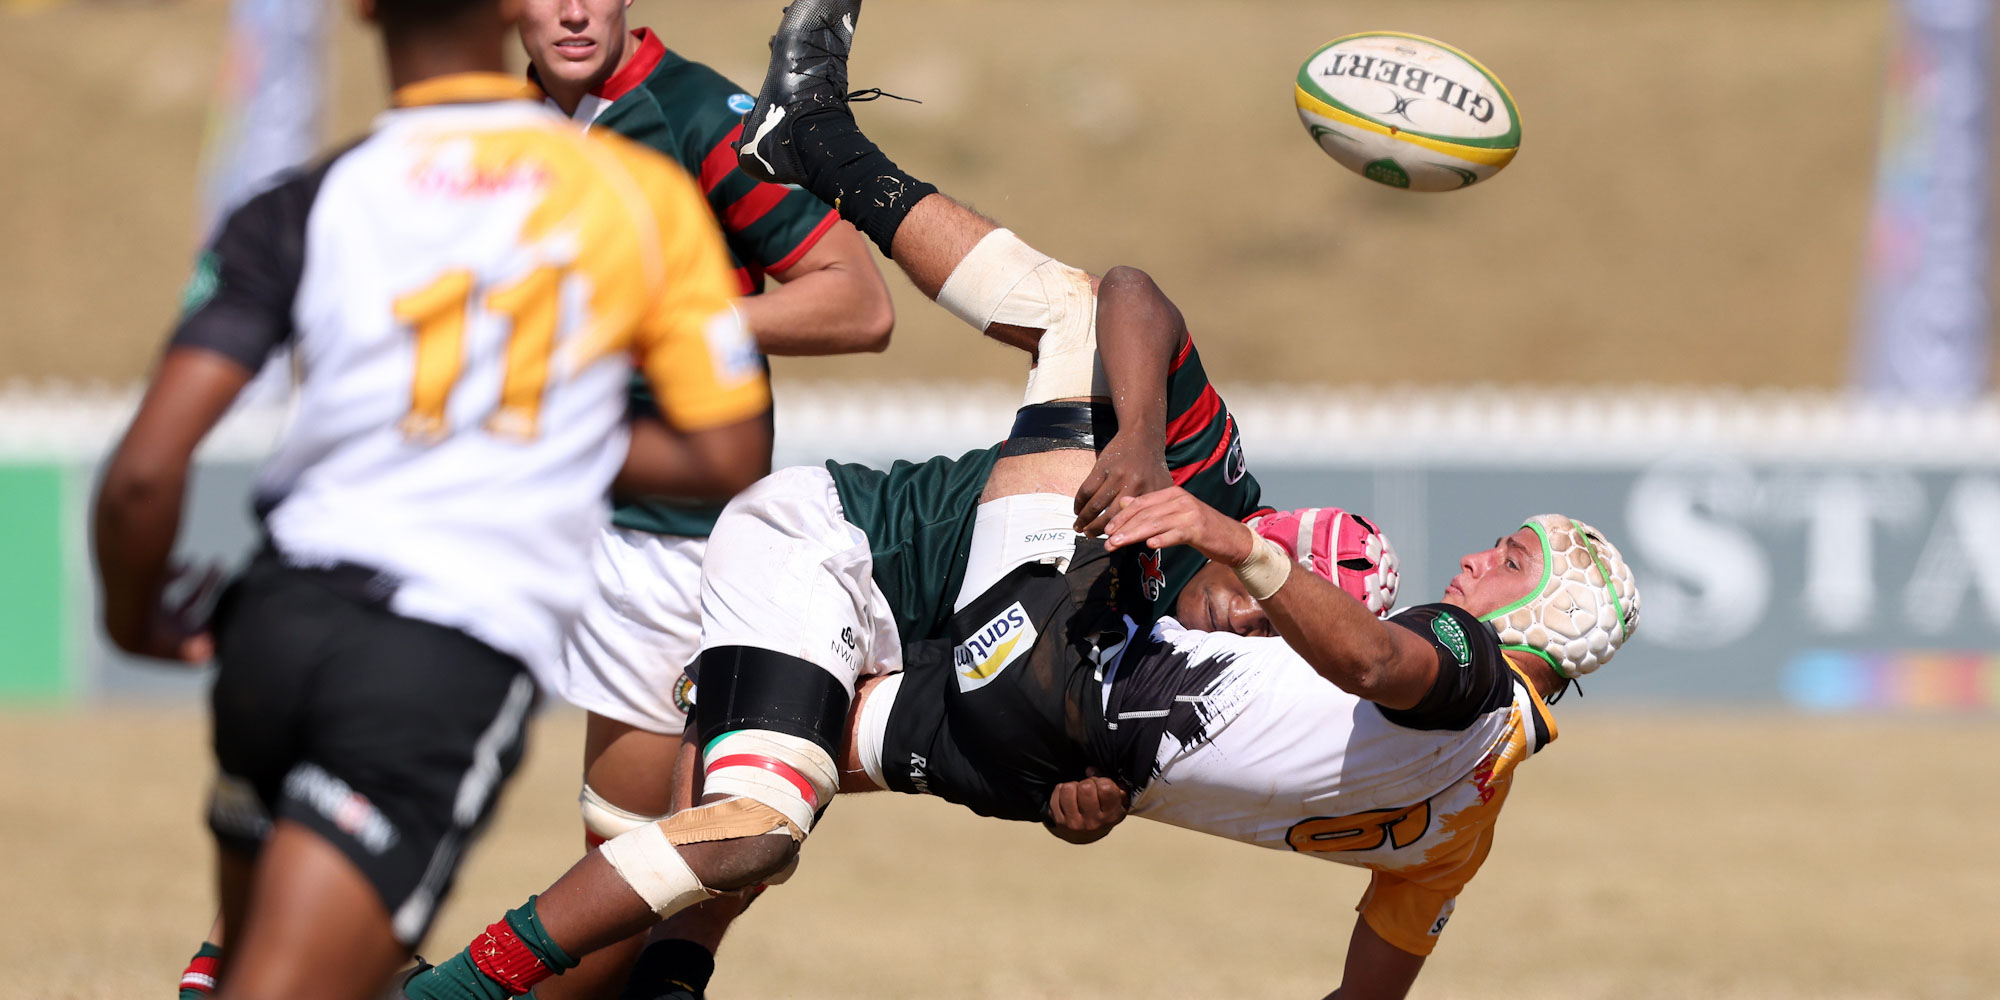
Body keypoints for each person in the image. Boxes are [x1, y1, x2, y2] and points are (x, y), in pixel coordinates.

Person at [169, 3, 895, 997]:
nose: (573, 9)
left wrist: (665, 319)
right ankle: (232, 968)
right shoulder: (494, 140)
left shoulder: (698, 117)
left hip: (663, 541)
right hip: (502, 516)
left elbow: (855, 298)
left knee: (637, 879)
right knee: (347, 767)